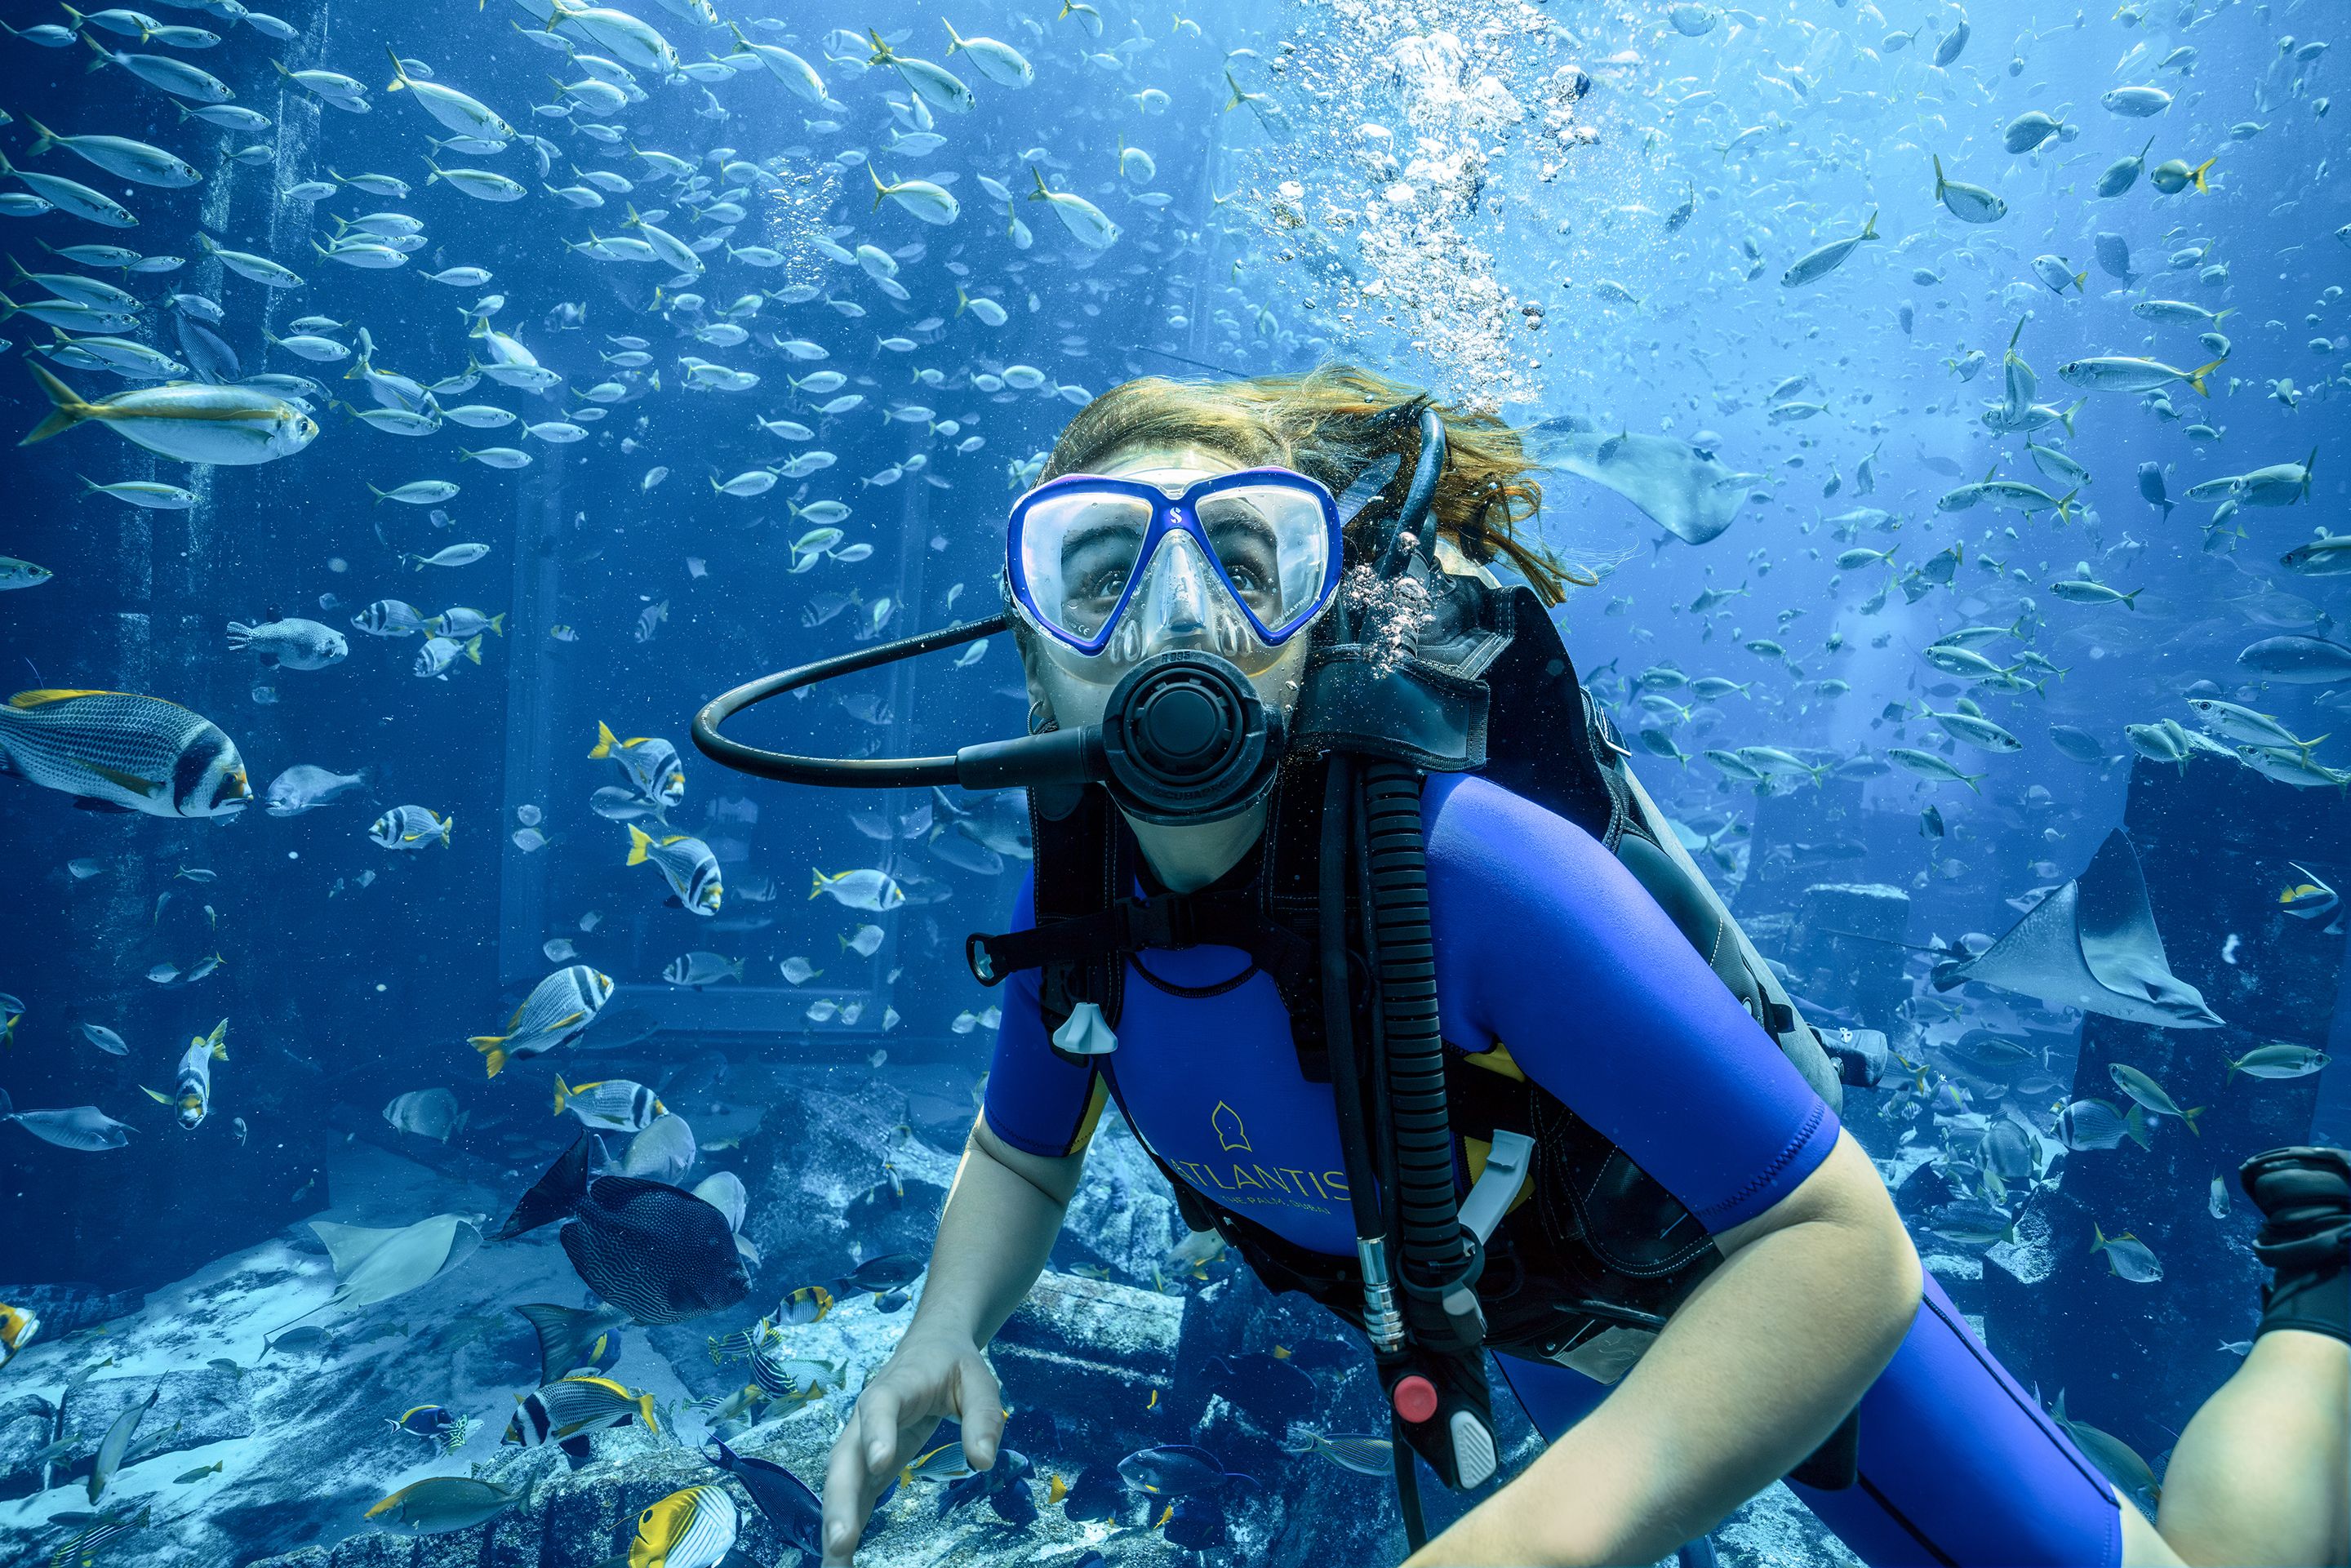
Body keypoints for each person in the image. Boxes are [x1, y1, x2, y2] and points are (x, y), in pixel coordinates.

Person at [805, 366, 2350, 1568]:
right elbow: (1023, 1150)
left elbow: (1844, 1247)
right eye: (1099, 574)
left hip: (1737, 1294)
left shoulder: (1465, 867)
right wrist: (945, 1328)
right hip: (1527, 1327)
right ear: (1031, 645)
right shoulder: (1075, 898)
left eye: (1245, 560)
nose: (1178, 621)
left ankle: (2323, 1307)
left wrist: (1539, 1531)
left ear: (1321, 610)